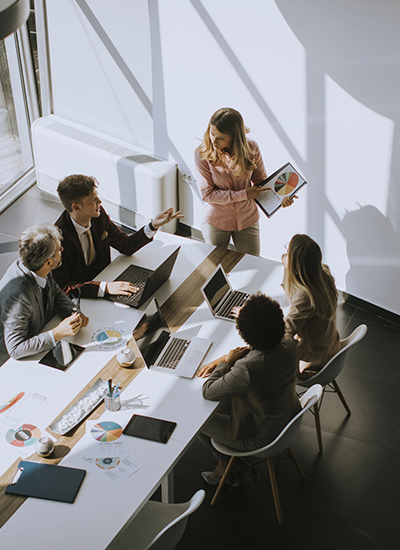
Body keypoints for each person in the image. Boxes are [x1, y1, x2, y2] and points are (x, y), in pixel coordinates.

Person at [197, 292, 301, 485]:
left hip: (262, 435)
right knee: (226, 401)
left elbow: (208, 390)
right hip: (287, 415)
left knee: (197, 421)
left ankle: (228, 466)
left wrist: (226, 363)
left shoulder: (248, 368)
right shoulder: (288, 341)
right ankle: (230, 465)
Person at [53, 174, 183, 298]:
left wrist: (153, 225)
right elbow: (64, 287)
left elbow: (126, 245)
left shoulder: (98, 216)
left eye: (97, 196)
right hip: (85, 298)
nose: (100, 201)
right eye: (93, 200)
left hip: (109, 282)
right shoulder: (57, 239)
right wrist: (106, 288)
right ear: (76, 207)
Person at [195, 107, 295, 256]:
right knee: (215, 267)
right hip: (216, 222)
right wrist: (244, 194)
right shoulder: (202, 154)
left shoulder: (251, 148)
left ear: (235, 136)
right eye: (212, 133)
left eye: (221, 138)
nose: (214, 141)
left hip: (248, 220)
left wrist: (281, 197)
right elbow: (207, 194)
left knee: (253, 263)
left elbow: (261, 182)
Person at [0, 224, 89, 363]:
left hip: (39, 335)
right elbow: (15, 349)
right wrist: (57, 333)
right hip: (12, 362)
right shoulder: (18, 298)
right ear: (48, 262)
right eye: (59, 250)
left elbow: (55, 291)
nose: (62, 249)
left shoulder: (36, 265)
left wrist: (74, 313)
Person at [282, 234, 341, 378]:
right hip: (330, 349)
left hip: (310, 362)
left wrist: (249, 317)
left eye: (288, 251)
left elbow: (284, 332)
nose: (285, 253)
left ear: (296, 264)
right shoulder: (324, 275)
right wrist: (289, 266)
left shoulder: (305, 297)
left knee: (257, 356)